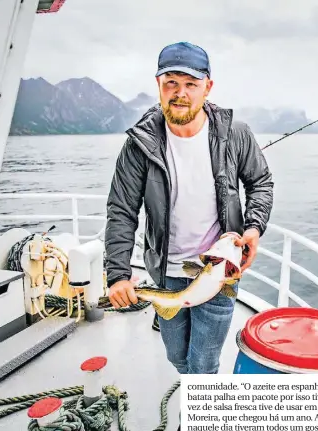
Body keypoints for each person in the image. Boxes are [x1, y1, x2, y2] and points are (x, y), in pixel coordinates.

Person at [104, 41, 274, 376]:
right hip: (167, 271)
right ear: (159, 85)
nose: (180, 93)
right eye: (171, 83)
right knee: (177, 358)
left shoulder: (236, 135)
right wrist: (118, 274)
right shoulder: (140, 144)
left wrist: (253, 229)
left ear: (207, 87)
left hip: (219, 270)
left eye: (191, 84)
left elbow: (261, 184)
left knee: (204, 363)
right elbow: (122, 210)